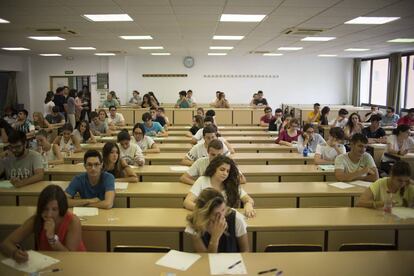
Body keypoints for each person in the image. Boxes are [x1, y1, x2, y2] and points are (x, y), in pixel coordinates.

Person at [0, 185, 86, 262]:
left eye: (54, 209)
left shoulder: (73, 221)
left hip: (74, 264)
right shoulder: (36, 220)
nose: (49, 214)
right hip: (46, 263)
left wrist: (52, 239)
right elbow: (6, 243)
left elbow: (70, 258)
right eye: (45, 209)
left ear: (61, 209)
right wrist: (14, 253)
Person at [183, 155, 255, 218]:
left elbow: (248, 199)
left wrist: (248, 204)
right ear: (214, 169)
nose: (225, 173)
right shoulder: (202, 180)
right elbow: (187, 202)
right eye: (222, 169)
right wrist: (207, 210)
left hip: (226, 218)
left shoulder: (231, 184)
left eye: (227, 171)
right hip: (206, 218)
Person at [185, 188, 249, 253]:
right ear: (204, 214)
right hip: (208, 262)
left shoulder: (236, 218)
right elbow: (205, 259)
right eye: (216, 214)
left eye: (223, 210)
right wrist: (215, 238)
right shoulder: (195, 223)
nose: (222, 216)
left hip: (234, 261)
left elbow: (245, 251)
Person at [180, 140, 246, 185]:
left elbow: (243, 180)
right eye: (213, 154)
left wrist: (224, 184)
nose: (216, 158)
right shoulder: (200, 162)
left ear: (222, 153)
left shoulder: (228, 163)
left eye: (219, 155)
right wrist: (199, 185)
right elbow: (183, 177)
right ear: (208, 152)